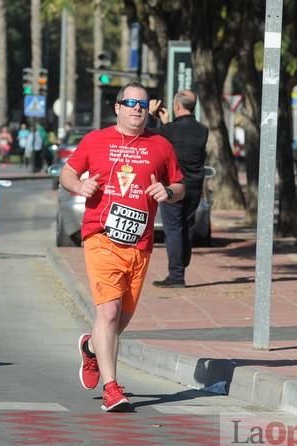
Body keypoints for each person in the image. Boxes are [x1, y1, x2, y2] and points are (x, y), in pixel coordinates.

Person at [59, 82, 185, 412]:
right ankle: (111, 387)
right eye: (129, 102)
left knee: (121, 319)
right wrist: (79, 185)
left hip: (139, 243)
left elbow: (180, 184)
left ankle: (90, 348)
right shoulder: (95, 140)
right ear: (117, 108)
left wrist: (168, 193)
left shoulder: (161, 145)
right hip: (100, 235)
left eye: (142, 104)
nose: (137, 108)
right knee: (110, 312)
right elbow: (67, 173)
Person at [148, 90, 208, 288]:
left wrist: (152, 116)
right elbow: (175, 140)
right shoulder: (202, 130)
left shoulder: (170, 130)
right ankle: (182, 264)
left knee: (173, 228)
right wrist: (165, 123)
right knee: (187, 226)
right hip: (194, 185)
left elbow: (154, 139)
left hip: (173, 185)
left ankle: (176, 275)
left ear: (177, 107)